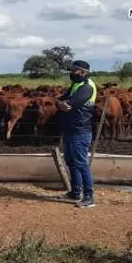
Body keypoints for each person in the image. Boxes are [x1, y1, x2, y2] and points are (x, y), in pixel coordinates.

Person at [56, 60, 97, 208]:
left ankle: (89, 196)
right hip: (70, 129)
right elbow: (61, 101)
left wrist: (62, 104)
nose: (71, 73)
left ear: (84, 72)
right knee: (71, 162)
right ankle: (75, 192)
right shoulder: (76, 85)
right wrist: (61, 104)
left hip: (80, 131)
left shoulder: (86, 87)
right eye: (71, 70)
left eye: (74, 70)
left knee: (81, 164)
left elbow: (68, 105)